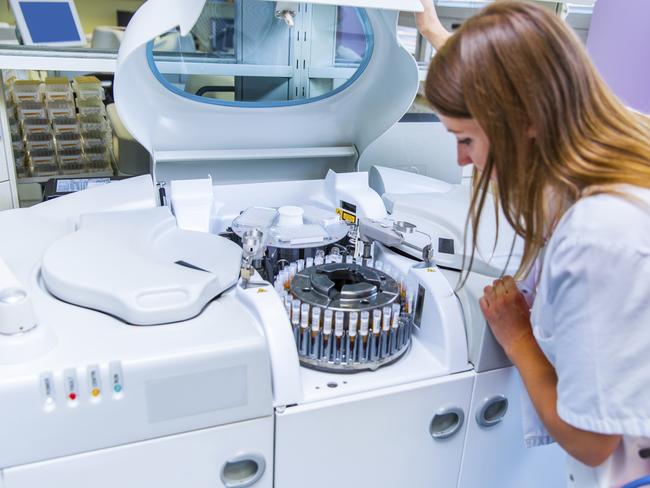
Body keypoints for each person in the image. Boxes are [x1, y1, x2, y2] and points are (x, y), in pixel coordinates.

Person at [415, 1, 650, 487]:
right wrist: (438, 35)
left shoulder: (598, 235)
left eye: (467, 139)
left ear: (521, 121)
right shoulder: (614, 134)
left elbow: (592, 440)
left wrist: (517, 334)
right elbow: (516, 81)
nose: (461, 160)